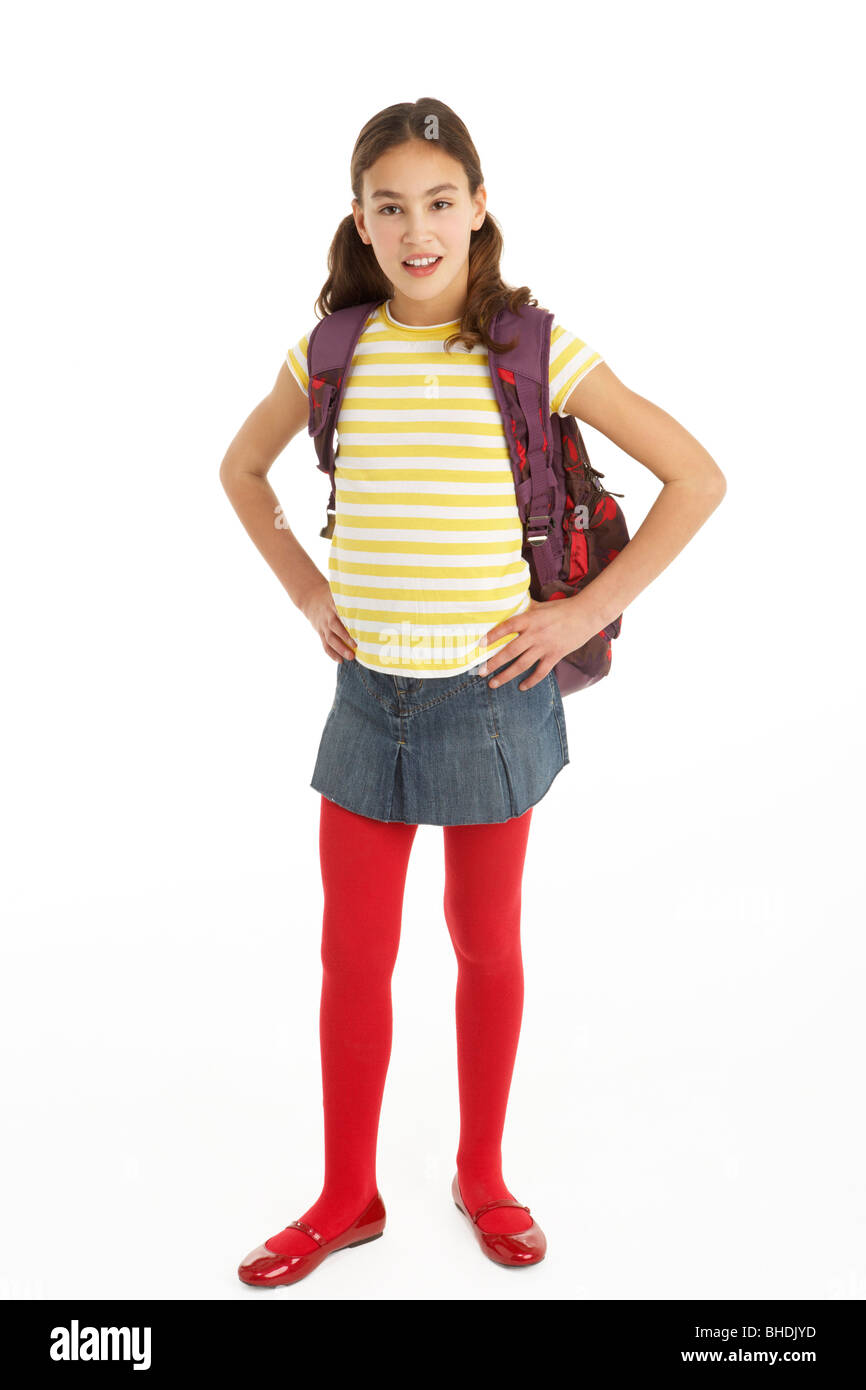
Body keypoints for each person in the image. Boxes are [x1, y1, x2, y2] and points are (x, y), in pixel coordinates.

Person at [219, 98, 726, 1288]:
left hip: (493, 696)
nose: (415, 228)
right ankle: (347, 1195)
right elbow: (240, 468)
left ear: (478, 207)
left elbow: (695, 476)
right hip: (367, 698)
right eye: (388, 206)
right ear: (359, 218)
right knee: (354, 954)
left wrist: (584, 611)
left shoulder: (535, 348)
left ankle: (482, 1174)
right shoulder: (332, 350)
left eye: (438, 202)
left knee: (483, 944)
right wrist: (304, 589)